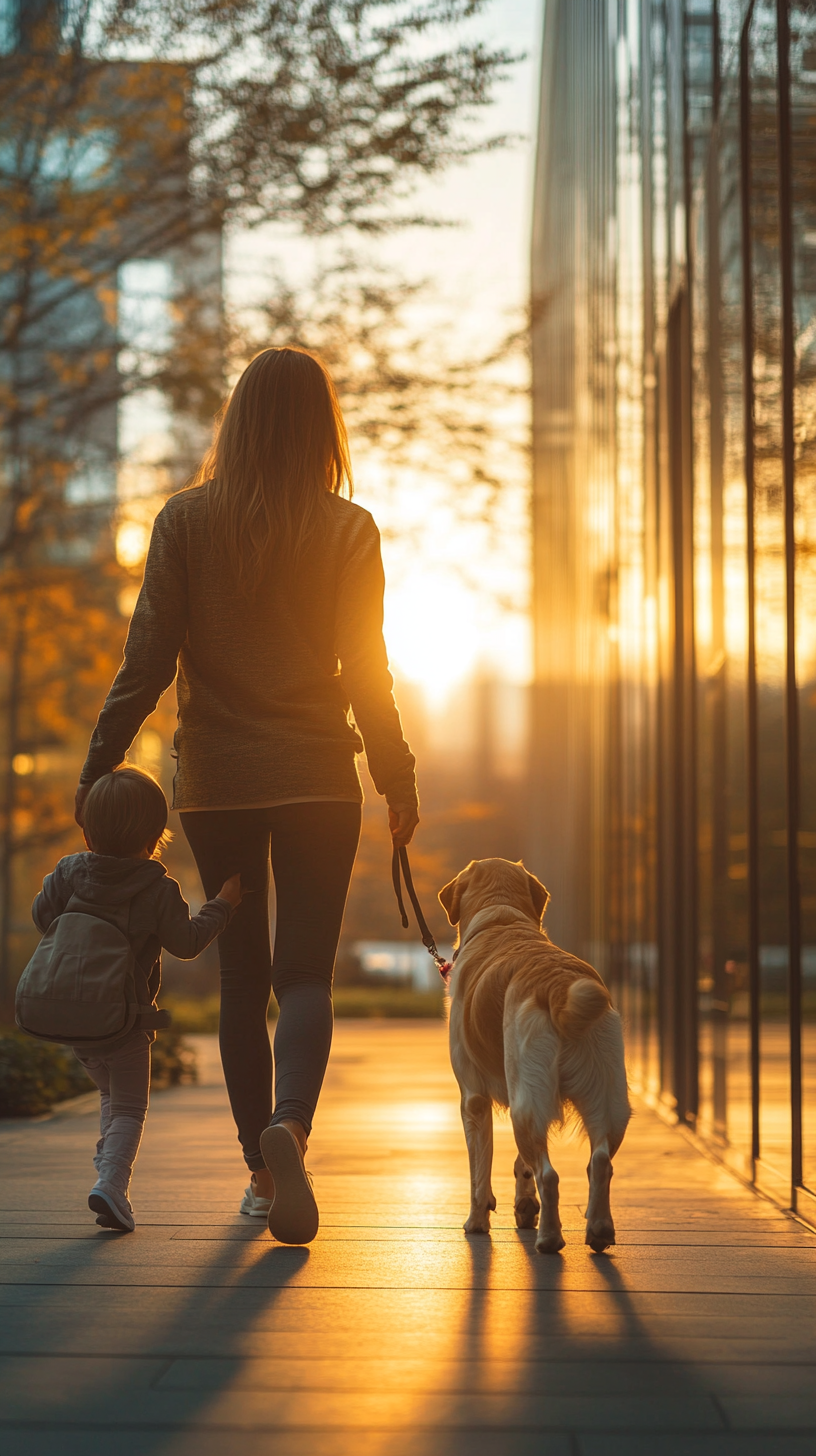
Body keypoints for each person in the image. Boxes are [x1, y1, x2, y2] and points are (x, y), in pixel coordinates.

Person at [75, 347, 419, 1245]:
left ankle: (263, 1177)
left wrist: (99, 762)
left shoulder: (185, 521)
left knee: (240, 980)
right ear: (323, 428)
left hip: (218, 781)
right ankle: (291, 1125)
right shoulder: (351, 529)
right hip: (315, 779)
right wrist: (397, 778)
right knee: (304, 973)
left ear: (235, 422)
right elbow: (371, 673)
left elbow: (145, 659)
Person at [33, 766, 242, 1232]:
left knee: (110, 1095)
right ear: (154, 833)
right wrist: (223, 903)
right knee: (129, 1107)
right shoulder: (156, 887)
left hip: (72, 1019)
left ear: (87, 826)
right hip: (125, 1021)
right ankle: (112, 1184)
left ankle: (107, 1164)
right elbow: (187, 943)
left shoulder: (69, 870)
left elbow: (41, 915)